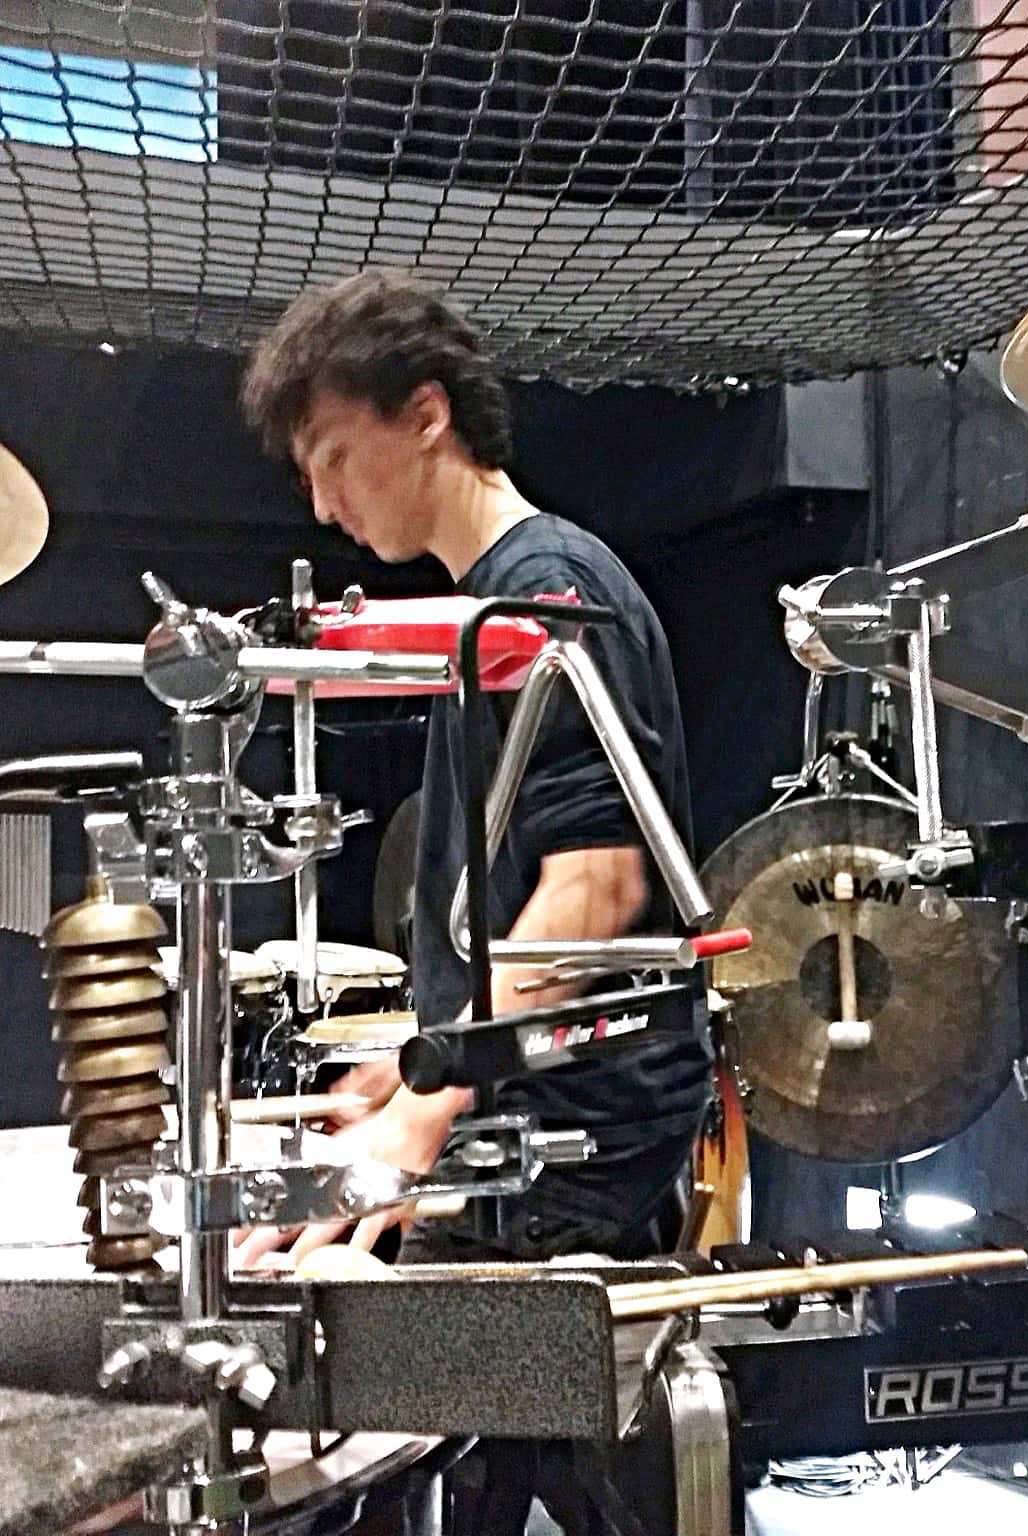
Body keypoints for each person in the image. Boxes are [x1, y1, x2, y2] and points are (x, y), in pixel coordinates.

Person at [231, 269, 711, 1273]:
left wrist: (424, 1109)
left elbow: (596, 886)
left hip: (571, 1146)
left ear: (424, 416)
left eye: (333, 459)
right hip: (521, 1118)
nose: (324, 507)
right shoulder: (492, 601)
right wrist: (410, 1065)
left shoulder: (546, 590)